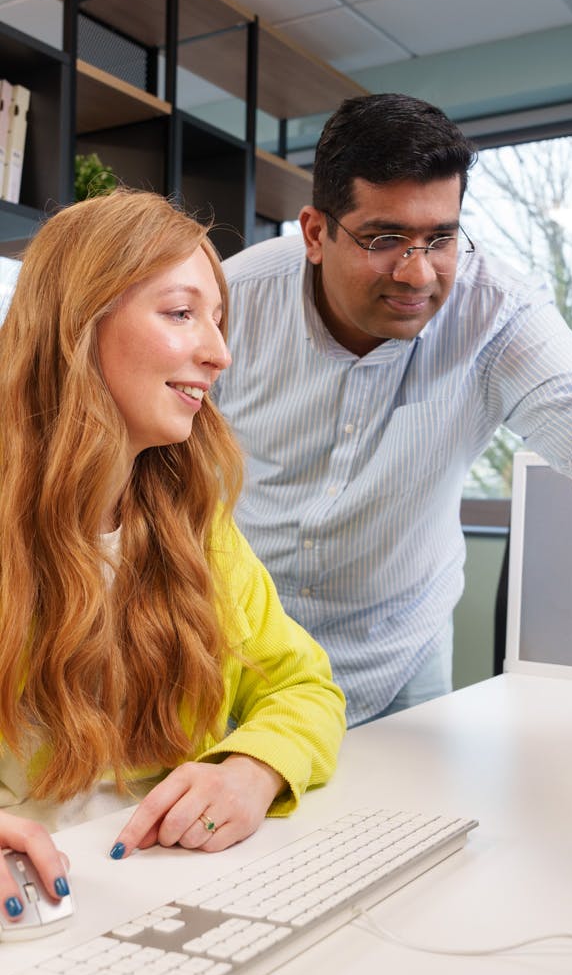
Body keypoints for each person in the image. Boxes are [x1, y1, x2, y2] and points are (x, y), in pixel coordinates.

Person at [217, 92, 572, 726]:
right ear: (315, 232)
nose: (418, 274)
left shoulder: (495, 308)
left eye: (440, 237)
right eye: (385, 238)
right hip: (235, 651)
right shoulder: (232, 301)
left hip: (399, 660)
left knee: (410, 827)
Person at [0, 189, 346, 926]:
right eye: (182, 313)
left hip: (177, 898)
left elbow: (307, 689)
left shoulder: (198, 531)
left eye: (218, 322)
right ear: (80, 324)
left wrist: (253, 770)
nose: (219, 353)